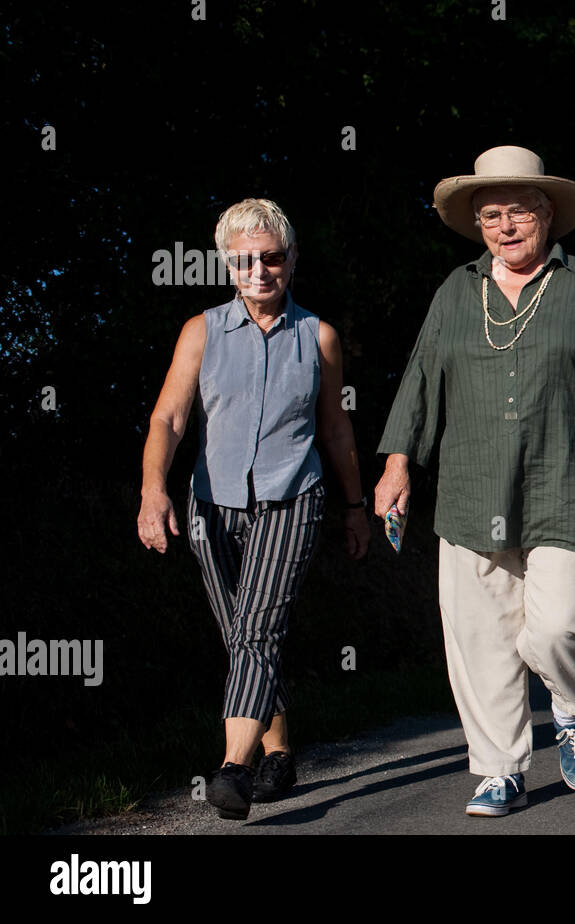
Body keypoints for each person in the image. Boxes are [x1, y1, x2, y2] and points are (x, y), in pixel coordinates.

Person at [373, 146, 575, 817]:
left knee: (559, 627)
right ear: (478, 224)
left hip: (568, 481)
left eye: (519, 212)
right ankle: (500, 770)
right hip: (471, 488)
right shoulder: (454, 290)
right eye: (491, 214)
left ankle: (573, 709)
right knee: (479, 639)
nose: (505, 226)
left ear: (548, 215)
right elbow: (419, 380)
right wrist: (397, 463)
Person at [137, 198, 369, 819]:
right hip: (212, 505)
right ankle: (280, 752)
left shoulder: (317, 337)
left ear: (291, 259)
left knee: (257, 630)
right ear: (227, 264)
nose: (260, 271)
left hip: (292, 498)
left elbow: (337, 431)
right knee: (242, 637)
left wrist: (355, 506)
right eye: (246, 260)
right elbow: (169, 417)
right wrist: (153, 489)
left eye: (272, 257)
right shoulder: (202, 331)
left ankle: (232, 770)